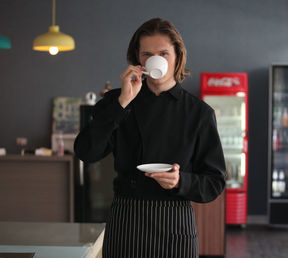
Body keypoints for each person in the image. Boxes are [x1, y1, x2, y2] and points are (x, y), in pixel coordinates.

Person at [74, 17, 226, 258]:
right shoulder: (118, 101)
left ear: (178, 56)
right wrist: (122, 102)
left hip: (175, 225)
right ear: (138, 59)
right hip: (127, 222)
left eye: (164, 53)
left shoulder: (198, 113)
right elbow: (86, 152)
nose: (156, 60)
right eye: (147, 54)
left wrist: (180, 182)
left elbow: (214, 183)